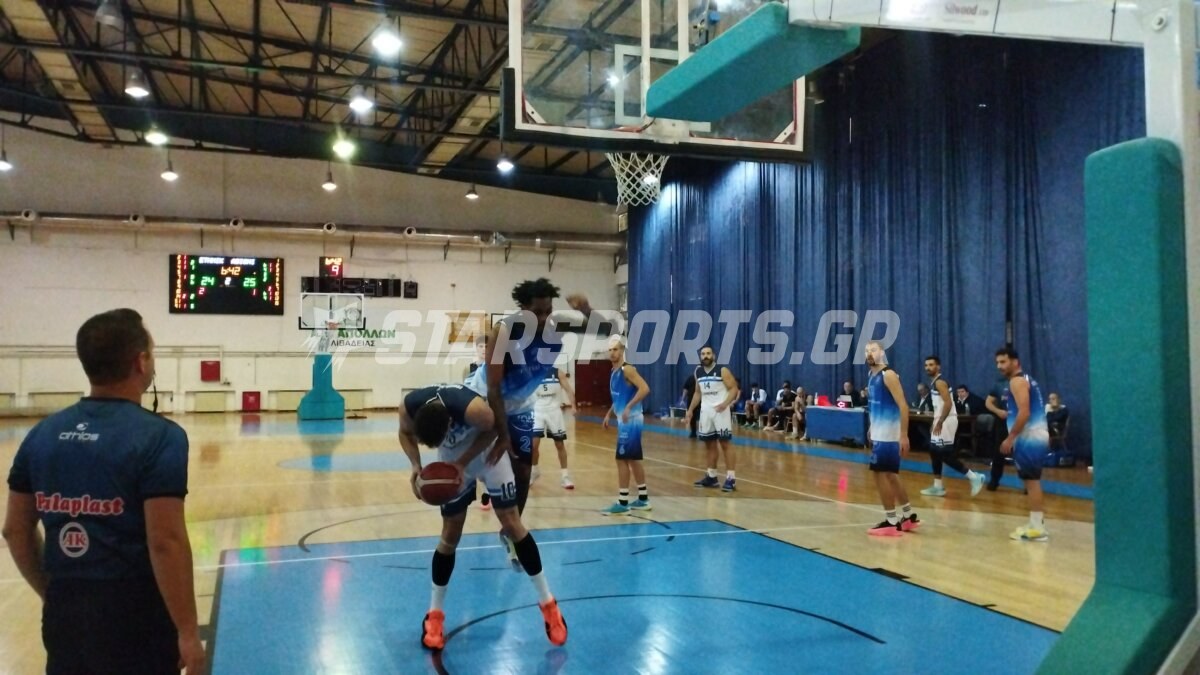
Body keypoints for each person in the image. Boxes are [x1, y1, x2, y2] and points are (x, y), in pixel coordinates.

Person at [2, 309, 205, 674]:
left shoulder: (42, 433)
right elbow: (165, 542)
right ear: (141, 362)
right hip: (136, 615)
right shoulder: (161, 437)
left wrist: (52, 592)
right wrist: (188, 632)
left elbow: (15, 530)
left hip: (65, 611)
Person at [400, 383, 567, 650]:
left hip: (488, 454)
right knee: (450, 535)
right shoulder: (410, 405)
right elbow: (404, 432)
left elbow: (497, 428)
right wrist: (416, 465)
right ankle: (434, 615)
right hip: (451, 459)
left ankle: (549, 605)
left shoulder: (475, 410)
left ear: (450, 422)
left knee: (512, 524)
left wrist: (463, 462)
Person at [465, 279, 565, 563]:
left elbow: (602, 328)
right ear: (523, 309)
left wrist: (585, 309)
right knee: (479, 464)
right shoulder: (504, 332)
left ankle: (511, 532)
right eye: (537, 312)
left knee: (523, 472)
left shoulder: (553, 331)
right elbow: (494, 388)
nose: (543, 318)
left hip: (521, 405)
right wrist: (503, 433)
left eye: (548, 311)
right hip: (485, 400)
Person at [995, 347, 1052, 541]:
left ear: (1015, 362)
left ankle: (1038, 528)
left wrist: (1010, 437)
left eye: (1003, 362)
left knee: (1032, 481)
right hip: (1033, 435)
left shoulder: (1017, 381)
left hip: (1029, 437)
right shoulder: (1026, 379)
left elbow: (1025, 412)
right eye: (997, 362)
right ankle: (1036, 522)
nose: (999, 366)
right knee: (1030, 480)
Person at [864, 340, 919, 536]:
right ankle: (908, 516)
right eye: (867, 350)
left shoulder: (888, 375)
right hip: (879, 432)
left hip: (889, 435)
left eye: (873, 350)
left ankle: (890, 521)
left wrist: (904, 435)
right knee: (891, 475)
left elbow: (903, 406)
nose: (869, 353)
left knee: (880, 474)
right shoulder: (871, 376)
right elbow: (876, 404)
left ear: (882, 353)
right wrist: (871, 426)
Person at [918, 356, 985, 498]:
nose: (928, 367)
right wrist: (935, 422)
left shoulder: (940, 382)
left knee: (944, 454)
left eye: (931, 365)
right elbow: (940, 405)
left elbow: (948, 403)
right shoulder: (934, 382)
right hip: (941, 419)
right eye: (926, 365)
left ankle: (974, 477)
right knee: (934, 451)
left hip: (947, 420)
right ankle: (938, 486)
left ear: (938, 367)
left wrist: (940, 422)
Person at [601, 337, 651, 514]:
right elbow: (619, 397)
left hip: (632, 420)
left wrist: (629, 407)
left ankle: (623, 502)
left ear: (622, 351)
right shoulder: (613, 372)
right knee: (632, 459)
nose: (612, 353)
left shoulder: (627, 369)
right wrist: (609, 413)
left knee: (621, 459)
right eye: (610, 350)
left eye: (615, 349)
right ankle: (643, 499)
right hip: (625, 420)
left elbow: (645, 388)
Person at [685, 347, 741, 491]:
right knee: (709, 444)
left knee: (725, 443)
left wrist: (725, 403)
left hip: (721, 411)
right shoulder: (698, 372)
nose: (706, 356)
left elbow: (734, 388)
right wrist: (690, 410)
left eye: (708, 353)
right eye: (703, 354)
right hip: (706, 412)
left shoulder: (722, 370)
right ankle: (711, 477)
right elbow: (697, 393)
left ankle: (731, 479)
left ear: (714, 356)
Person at [531, 365, 577, 489]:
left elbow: (568, 390)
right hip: (537, 411)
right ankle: (534, 471)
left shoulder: (557, 373)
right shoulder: (530, 372)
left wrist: (573, 405)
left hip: (554, 412)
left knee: (560, 444)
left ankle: (565, 476)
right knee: (533, 445)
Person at [983, 377, 1011, 490]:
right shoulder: (999, 384)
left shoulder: (1024, 382)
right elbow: (988, 402)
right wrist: (998, 411)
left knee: (1023, 453)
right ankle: (994, 480)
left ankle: (1028, 484)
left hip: (1019, 421)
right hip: (1002, 421)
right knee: (998, 452)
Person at [681, 373, 699, 438]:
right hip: (691, 400)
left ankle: (706, 433)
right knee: (692, 416)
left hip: (703, 400)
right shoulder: (690, 378)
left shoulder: (703, 379)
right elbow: (685, 389)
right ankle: (693, 432)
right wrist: (683, 399)